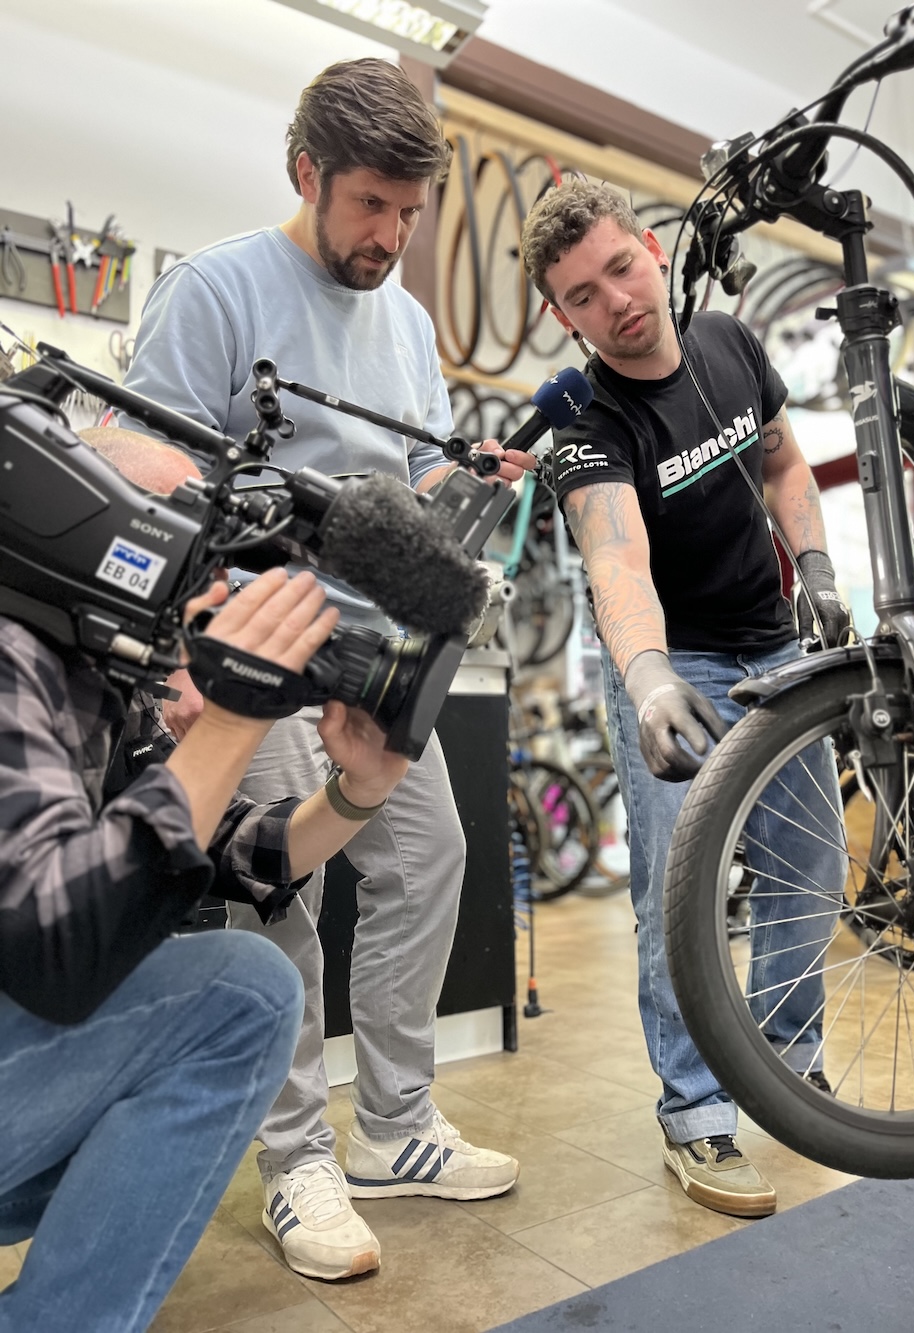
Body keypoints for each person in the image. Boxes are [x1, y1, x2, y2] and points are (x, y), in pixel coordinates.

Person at [117, 58, 531, 1280]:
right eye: (370, 207)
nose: (390, 237)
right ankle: (296, 1156)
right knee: (277, 890)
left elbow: (407, 482)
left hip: (378, 645)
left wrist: (460, 484)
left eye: (409, 213)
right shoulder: (215, 290)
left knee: (429, 856)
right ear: (306, 172)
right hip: (256, 638)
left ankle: (394, 1127)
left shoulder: (406, 324)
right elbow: (135, 461)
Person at [0, 433, 411, 1330]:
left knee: (194, 1023)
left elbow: (238, 850)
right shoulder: (12, 652)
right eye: (183, 539)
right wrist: (231, 717)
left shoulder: (98, 677)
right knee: (243, 995)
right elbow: (53, 946)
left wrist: (360, 788)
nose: (210, 581)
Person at [520, 180, 848, 1219]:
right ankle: (697, 1113)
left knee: (810, 863)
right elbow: (616, 559)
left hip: (776, 646)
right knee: (679, 896)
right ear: (561, 315)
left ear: (654, 250)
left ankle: (789, 1063)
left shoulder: (729, 342)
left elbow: (784, 464)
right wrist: (651, 676)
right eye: (583, 294)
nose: (615, 301)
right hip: (677, 664)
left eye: (621, 268)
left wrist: (816, 567)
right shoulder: (586, 421)